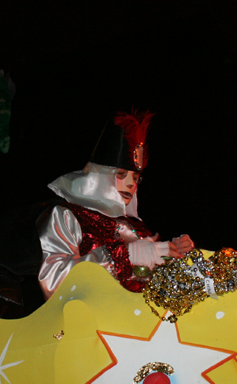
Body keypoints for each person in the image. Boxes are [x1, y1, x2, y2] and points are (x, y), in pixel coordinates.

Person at [36, 110, 194, 298]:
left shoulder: (137, 227)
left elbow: (147, 286)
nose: (131, 184)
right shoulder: (67, 216)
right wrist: (124, 256)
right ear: (100, 175)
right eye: (121, 175)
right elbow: (54, 280)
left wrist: (174, 256)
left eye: (136, 178)